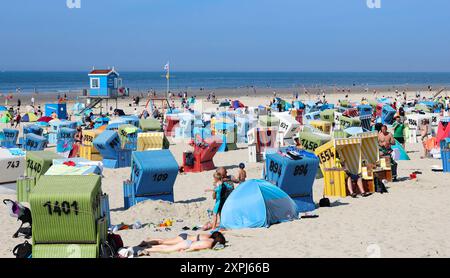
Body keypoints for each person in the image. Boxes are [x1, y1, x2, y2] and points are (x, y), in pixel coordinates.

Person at [137, 232, 226, 255]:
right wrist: (186, 251)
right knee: (165, 247)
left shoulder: (207, 236)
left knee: (164, 243)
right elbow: (196, 246)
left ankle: (148, 244)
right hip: (186, 242)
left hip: (186, 238)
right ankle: (146, 246)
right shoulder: (208, 242)